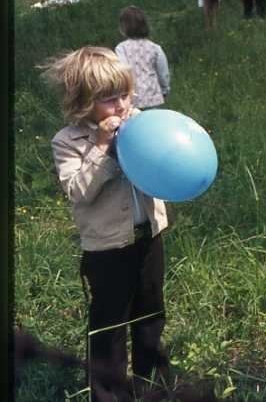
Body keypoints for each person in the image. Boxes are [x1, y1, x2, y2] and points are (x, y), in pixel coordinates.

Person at [41, 46, 170, 402]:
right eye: (108, 99)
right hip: (107, 248)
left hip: (149, 235)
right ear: (83, 103)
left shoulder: (138, 122)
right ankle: (109, 393)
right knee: (110, 324)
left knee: (151, 314)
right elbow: (78, 191)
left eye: (124, 95)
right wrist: (102, 149)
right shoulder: (69, 142)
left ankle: (153, 383)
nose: (120, 106)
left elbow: (162, 162)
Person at [115, 6, 171, 109]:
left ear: (123, 28)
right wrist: (165, 89)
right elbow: (163, 72)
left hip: (132, 97)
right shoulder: (155, 48)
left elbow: (122, 70)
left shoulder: (122, 48)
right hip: (153, 96)